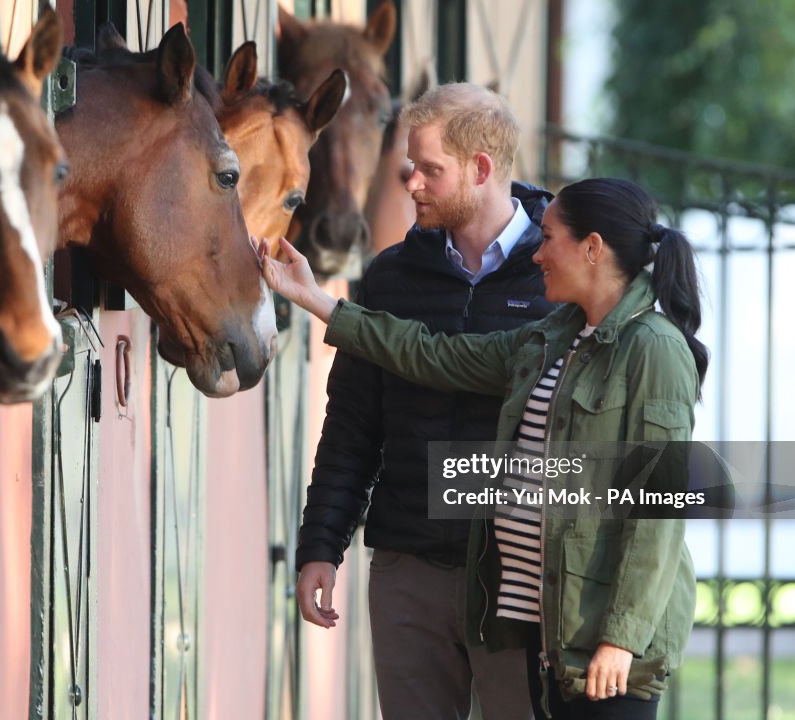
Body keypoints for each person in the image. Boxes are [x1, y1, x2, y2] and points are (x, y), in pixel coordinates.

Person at [261, 176, 706, 720]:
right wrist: (315, 300)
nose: (537, 254)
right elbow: (433, 355)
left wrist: (622, 639)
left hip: (602, 651)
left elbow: (658, 513)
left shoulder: (654, 349)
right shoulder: (555, 335)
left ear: (593, 248)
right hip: (544, 636)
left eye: (548, 238)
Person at [295, 83, 553, 719]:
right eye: (412, 168)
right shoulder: (390, 276)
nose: (410, 185)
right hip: (410, 570)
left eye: (430, 171)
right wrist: (322, 544)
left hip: (520, 580)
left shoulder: (559, 277)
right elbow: (352, 425)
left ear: (481, 168)